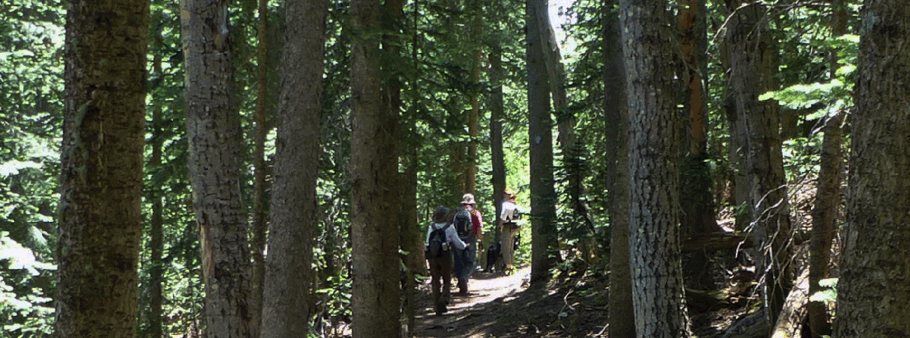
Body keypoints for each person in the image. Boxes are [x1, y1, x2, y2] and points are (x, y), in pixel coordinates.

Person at [425, 206, 468, 315]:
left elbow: (427, 242)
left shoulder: (431, 227)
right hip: (445, 255)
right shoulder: (449, 227)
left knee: (435, 280)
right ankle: (444, 299)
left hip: (433, 256)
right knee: (446, 278)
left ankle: (436, 304)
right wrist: (465, 245)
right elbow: (458, 243)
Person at [452, 193, 483, 295]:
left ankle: (461, 280)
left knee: (458, 260)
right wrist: (480, 241)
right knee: (470, 261)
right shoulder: (475, 213)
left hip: (457, 239)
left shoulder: (456, 212)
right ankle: (465, 278)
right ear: (473, 203)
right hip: (471, 239)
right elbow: (479, 228)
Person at [498, 188, 521, 274]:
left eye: (505, 194)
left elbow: (503, 216)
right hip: (515, 227)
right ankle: (511, 265)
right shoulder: (515, 205)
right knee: (511, 247)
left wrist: (500, 225)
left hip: (507, 227)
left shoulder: (506, 204)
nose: (504, 196)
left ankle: (508, 267)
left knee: (505, 248)